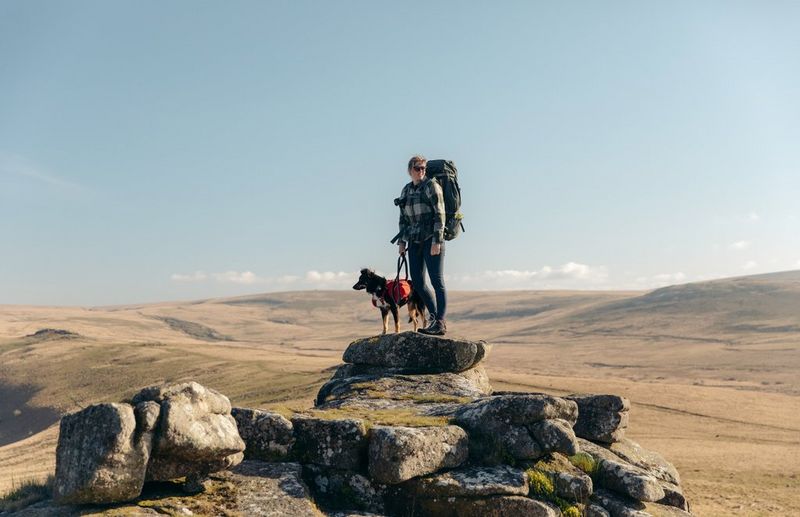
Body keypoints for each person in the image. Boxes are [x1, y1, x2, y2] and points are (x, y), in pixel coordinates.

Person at [396, 155, 447, 335]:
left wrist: (437, 241)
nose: (421, 171)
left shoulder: (432, 186)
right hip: (413, 240)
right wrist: (401, 243)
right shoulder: (406, 191)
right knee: (417, 282)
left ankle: (440, 322)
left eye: (424, 168)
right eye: (418, 168)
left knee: (436, 281)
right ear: (410, 170)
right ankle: (433, 318)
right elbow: (403, 219)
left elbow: (440, 215)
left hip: (431, 240)